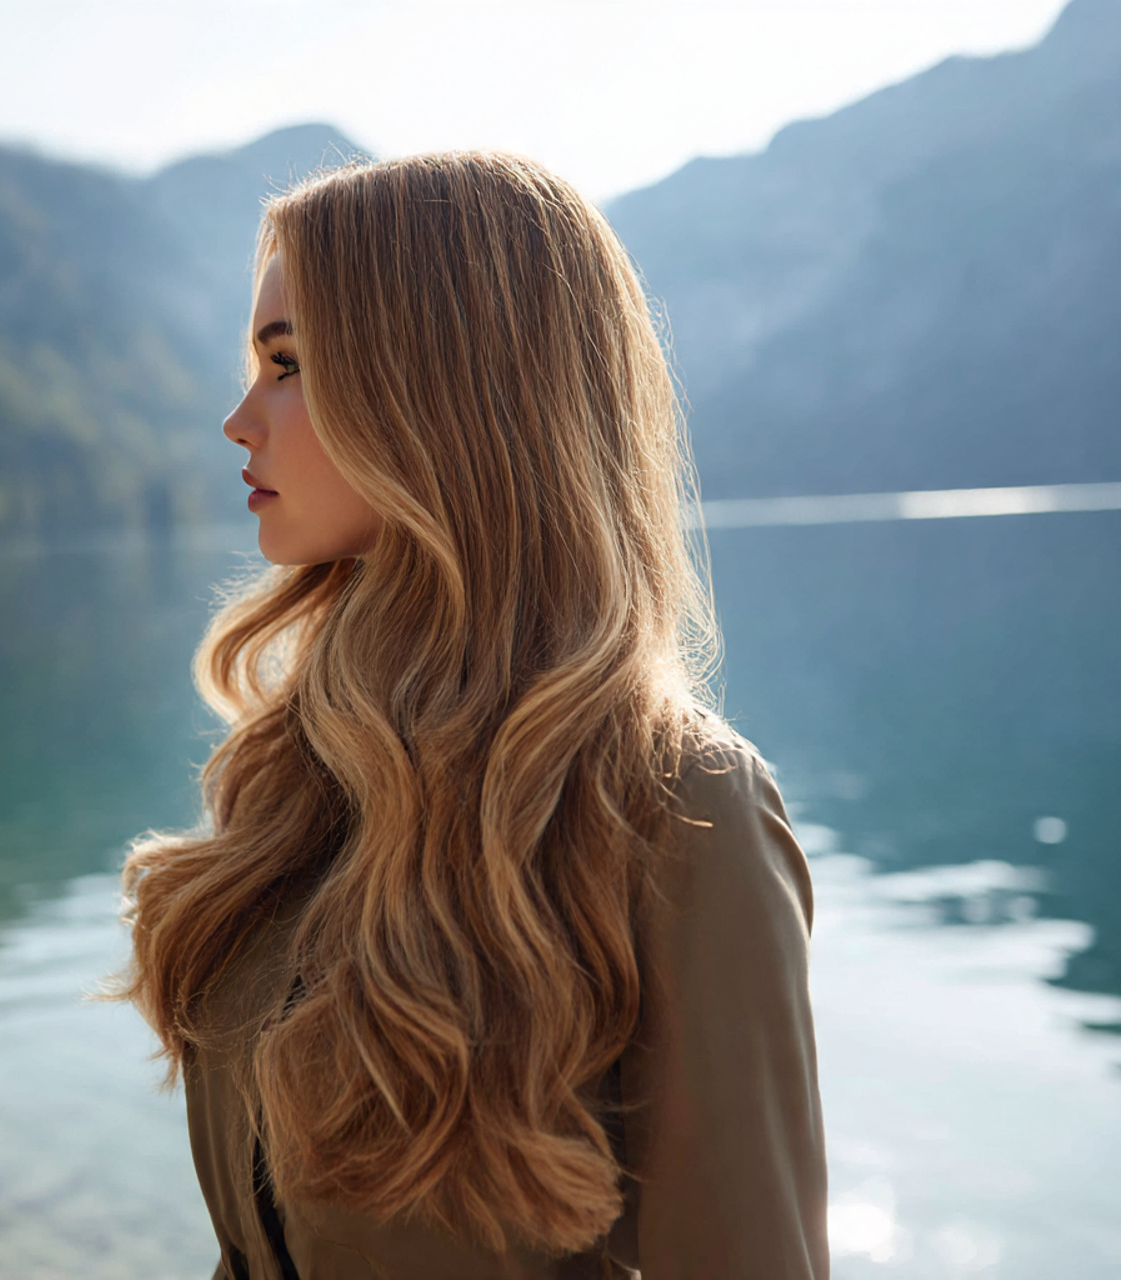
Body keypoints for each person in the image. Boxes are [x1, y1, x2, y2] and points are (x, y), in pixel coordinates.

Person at [121, 151, 828, 1280]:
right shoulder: (300, 778)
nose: (236, 419)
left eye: (286, 364)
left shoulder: (678, 807)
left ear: (436, 389)